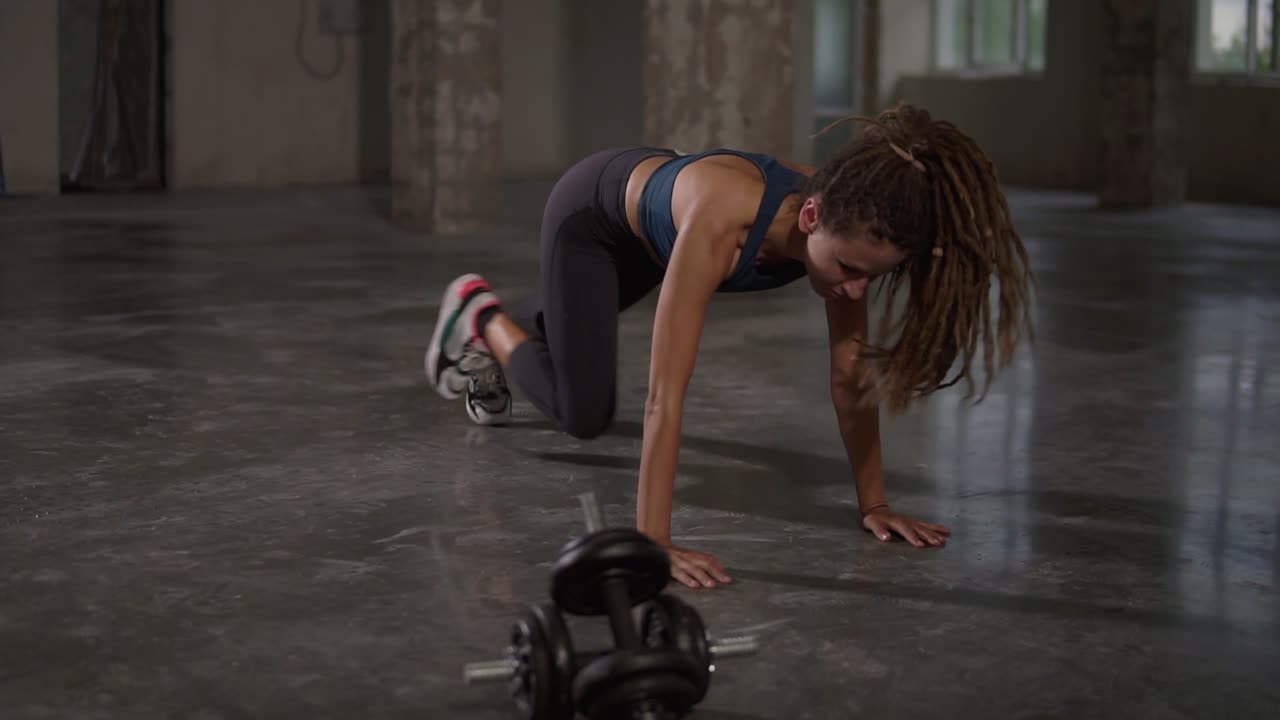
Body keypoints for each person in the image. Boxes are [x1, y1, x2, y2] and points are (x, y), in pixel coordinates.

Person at [424, 103, 1034, 590]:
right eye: (849, 268)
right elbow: (666, 393)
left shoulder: (848, 223)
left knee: (570, 326)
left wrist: (874, 503)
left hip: (656, 233)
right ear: (810, 216)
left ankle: (506, 328)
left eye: (870, 277)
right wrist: (654, 543)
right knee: (584, 410)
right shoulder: (722, 222)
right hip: (593, 217)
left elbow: (849, 378)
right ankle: (480, 315)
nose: (854, 288)